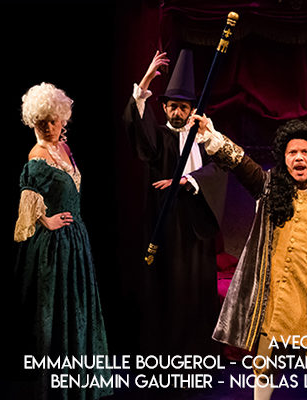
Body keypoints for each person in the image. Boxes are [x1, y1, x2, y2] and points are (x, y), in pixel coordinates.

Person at [193, 116, 307, 400]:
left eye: (305, 152)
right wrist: (211, 135)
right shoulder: (269, 189)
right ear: (284, 159)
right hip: (275, 301)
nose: (299, 158)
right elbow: (241, 163)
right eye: (292, 152)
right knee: (264, 365)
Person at [123, 49, 227, 356]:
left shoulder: (205, 139)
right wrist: (145, 81)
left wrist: (186, 181)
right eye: (172, 106)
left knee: (196, 287)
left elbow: (221, 169)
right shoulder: (159, 138)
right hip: (165, 225)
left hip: (196, 227)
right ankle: (165, 351)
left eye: (183, 107)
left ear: (192, 109)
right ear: (165, 108)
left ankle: (199, 352)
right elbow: (137, 124)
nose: (177, 112)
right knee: (167, 286)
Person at [13, 82, 111, 400]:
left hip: (76, 240)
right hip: (54, 247)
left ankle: (82, 380)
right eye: (45, 122)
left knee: (79, 308)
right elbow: (27, 203)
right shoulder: (37, 156)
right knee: (54, 313)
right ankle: (54, 387)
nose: (52, 127)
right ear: (36, 122)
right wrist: (46, 220)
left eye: (55, 120)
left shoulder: (63, 148)